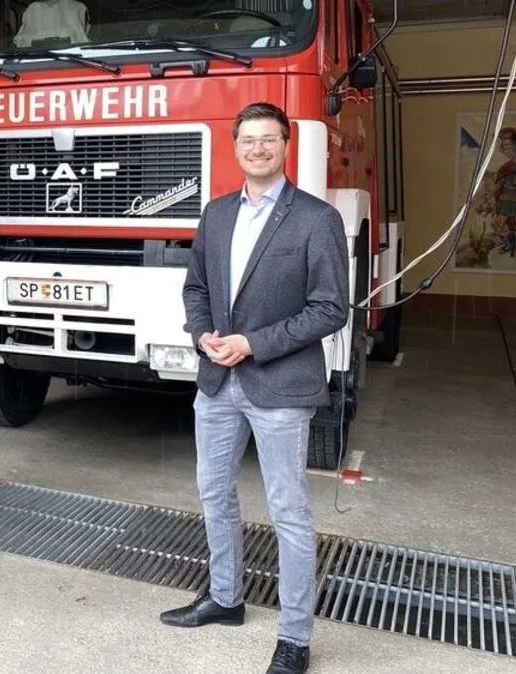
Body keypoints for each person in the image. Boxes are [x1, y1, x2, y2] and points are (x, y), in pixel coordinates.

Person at [162, 102, 349, 674]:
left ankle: (294, 637)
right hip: (217, 380)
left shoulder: (315, 219)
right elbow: (195, 288)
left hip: (280, 385)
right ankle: (225, 597)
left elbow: (330, 309)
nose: (258, 149)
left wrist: (252, 343)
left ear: (285, 145)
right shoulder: (217, 214)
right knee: (214, 494)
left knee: (288, 511)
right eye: (248, 140)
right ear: (235, 147)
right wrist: (202, 336)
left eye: (269, 139)